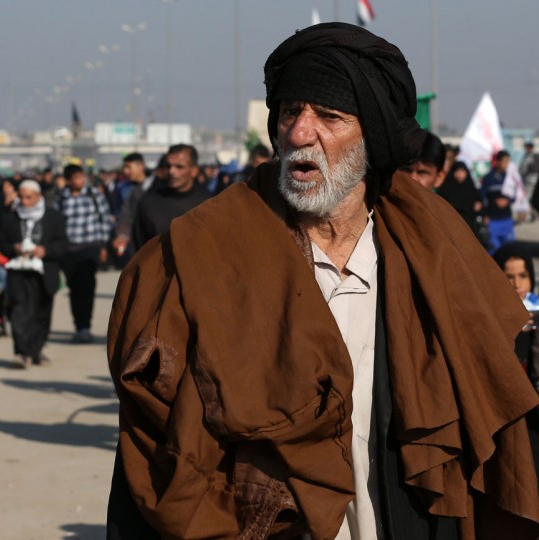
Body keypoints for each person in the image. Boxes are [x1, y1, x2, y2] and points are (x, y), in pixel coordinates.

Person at [106, 22, 539, 539]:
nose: (299, 132)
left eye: (328, 116)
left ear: (372, 138)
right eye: (290, 112)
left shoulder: (437, 253)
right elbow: (150, 444)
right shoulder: (202, 255)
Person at [0, 179, 67, 367]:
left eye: (29, 197)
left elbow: (62, 244)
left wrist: (45, 251)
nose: (25, 202)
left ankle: (37, 351)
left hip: (44, 273)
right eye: (22, 197)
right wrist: (14, 248)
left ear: (39, 197)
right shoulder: (10, 217)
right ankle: (22, 352)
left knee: (42, 313)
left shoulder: (53, 217)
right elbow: (1, 242)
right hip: (18, 273)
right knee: (19, 312)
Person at [492, 244, 539, 481]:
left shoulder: (537, 316)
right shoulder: (489, 320)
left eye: (523, 276)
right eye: (508, 276)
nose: (517, 284)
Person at [53, 164, 111, 344]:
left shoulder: (94, 196)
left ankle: (85, 326)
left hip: (90, 247)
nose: (81, 180)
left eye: (82, 176)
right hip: (69, 250)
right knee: (74, 288)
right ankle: (78, 325)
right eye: (76, 177)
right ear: (68, 180)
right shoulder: (60, 199)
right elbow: (55, 223)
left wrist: (103, 245)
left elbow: (105, 220)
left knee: (87, 286)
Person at [131, 144, 211, 251]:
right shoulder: (149, 203)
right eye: (168, 166)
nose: (172, 171)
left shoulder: (209, 203)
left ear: (194, 170)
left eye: (179, 167)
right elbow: (140, 244)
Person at [111, 153, 148, 260]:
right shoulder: (121, 187)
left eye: (129, 167)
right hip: (130, 238)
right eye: (124, 167)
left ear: (141, 166)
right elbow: (118, 212)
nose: (126, 171)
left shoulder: (151, 186)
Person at [437, 160, 483, 238]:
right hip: (451, 225)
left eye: (462, 171)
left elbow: (478, 201)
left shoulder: (470, 187)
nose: (460, 174)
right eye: (457, 171)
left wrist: (478, 205)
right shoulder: (446, 187)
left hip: (469, 225)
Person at [481, 149, 515, 253]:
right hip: (493, 219)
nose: (506, 164)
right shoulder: (488, 178)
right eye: (504, 161)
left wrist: (508, 200)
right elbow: (483, 197)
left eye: (508, 161)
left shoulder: (511, 178)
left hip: (507, 218)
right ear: (498, 161)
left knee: (509, 250)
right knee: (493, 249)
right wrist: (485, 214)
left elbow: (516, 194)